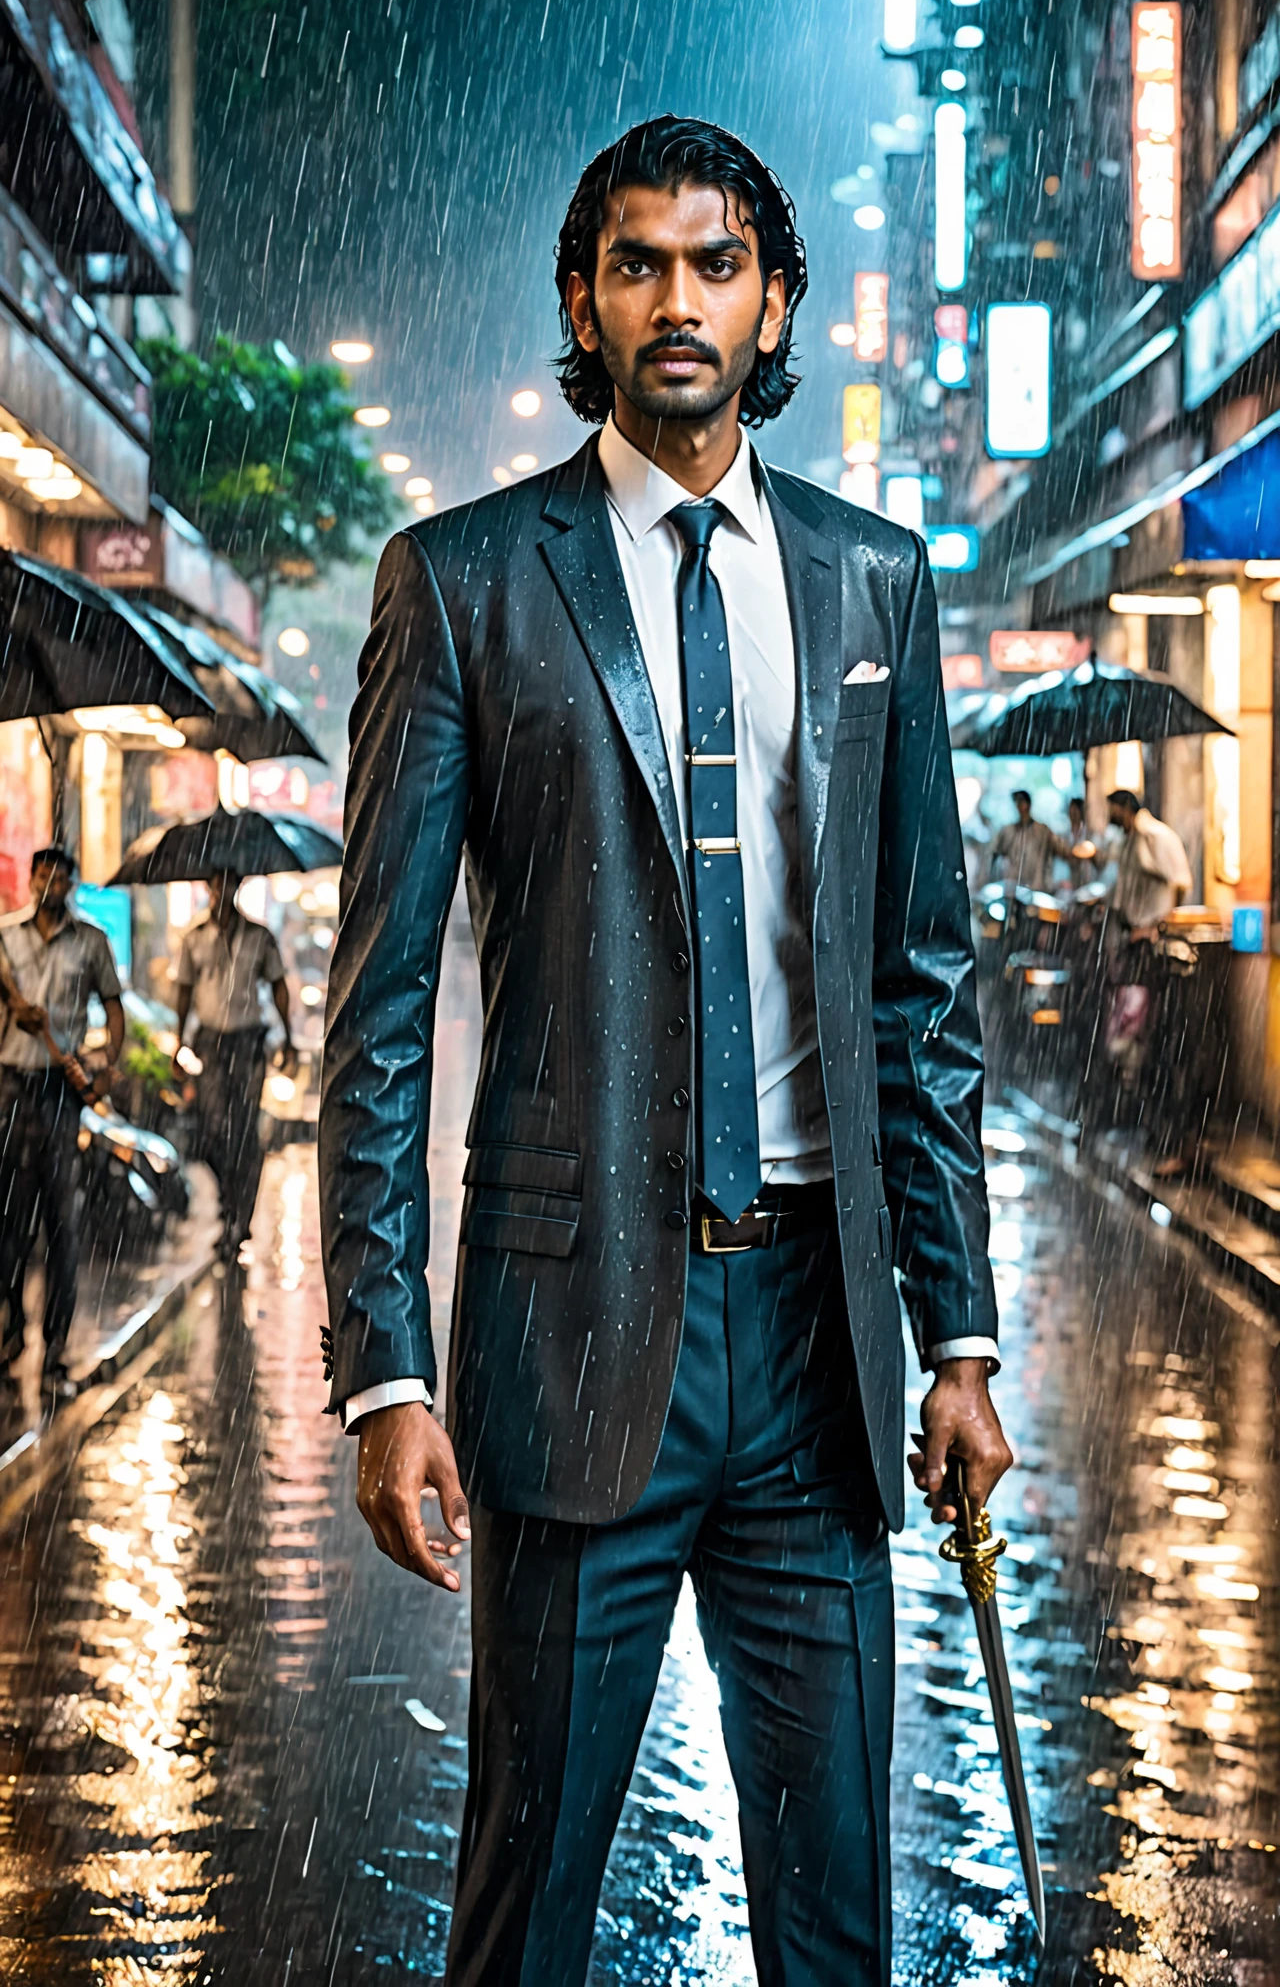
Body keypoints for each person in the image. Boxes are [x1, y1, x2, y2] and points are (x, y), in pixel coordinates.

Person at [321, 115, 1011, 1987]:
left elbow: (919, 981)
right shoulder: (463, 578)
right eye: (639, 264)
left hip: (817, 1354)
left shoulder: (877, 582)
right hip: (570, 1345)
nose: (679, 301)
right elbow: (380, 1005)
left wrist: (954, 1335)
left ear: (774, 296)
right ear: (585, 299)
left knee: (837, 1920)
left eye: (716, 264)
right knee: (526, 1917)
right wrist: (385, 1369)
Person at [0, 846, 123, 1399]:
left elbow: (114, 1007)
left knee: (61, 1225)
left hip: (58, 1091)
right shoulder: (5, 938)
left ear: (70, 885)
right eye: (42, 876)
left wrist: (106, 1067)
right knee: (8, 1223)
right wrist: (14, 1013)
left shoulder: (91, 942)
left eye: (59, 879)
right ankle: (8, 1339)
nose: (49, 885)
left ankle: (54, 1351)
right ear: (30, 880)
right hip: (9, 1089)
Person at [172, 869, 296, 1262]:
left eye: (228, 882)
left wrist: (289, 1038)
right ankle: (229, 1203)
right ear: (207, 886)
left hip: (247, 1042)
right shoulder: (193, 939)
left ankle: (239, 1218)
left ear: (238, 886)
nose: (221, 889)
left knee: (243, 1132)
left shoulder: (259, 937)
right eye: (215, 882)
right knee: (212, 1133)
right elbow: (184, 991)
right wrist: (179, 1041)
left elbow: (278, 985)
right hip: (210, 1043)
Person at [1106, 788, 1193, 934]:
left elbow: (1180, 885)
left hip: (1154, 935)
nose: (1112, 818)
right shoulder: (1129, 840)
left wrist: (1156, 928)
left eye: (1115, 813)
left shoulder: (1155, 836)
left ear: (1126, 808)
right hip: (1134, 933)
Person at [987, 786, 1072, 893]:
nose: (1019, 806)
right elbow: (994, 853)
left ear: (1028, 804)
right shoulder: (1008, 831)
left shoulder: (1042, 831)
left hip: (1037, 889)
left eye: (1021, 801)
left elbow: (1062, 850)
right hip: (1012, 889)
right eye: (1017, 802)